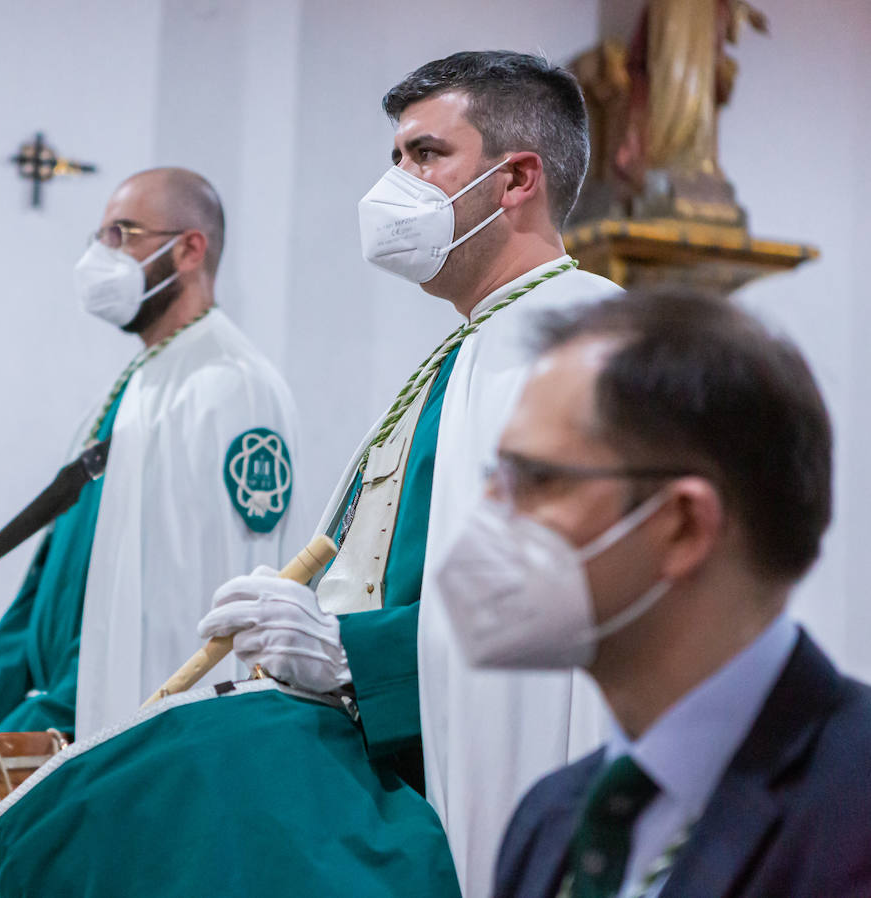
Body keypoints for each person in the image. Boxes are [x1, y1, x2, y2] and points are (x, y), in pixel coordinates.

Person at [199, 51, 619, 897]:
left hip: (492, 793)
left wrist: (344, 652)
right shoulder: (471, 348)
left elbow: (572, 605)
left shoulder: (585, 348)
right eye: (396, 158)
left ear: (516, 180)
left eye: (426, 156)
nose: (395, 184)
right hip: (410, 754)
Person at [473, 288, 871, 897]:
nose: (490, 513)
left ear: (683, 525)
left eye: (537, 479)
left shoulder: (853, 803)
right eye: (494, 479)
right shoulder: (545, 824)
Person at [0, 167, 300, 740]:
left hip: (128, 727)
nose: (100, 255)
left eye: (122, 234)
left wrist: (55, 712)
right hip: (59, 717)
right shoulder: (138, 384)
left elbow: (184, 599)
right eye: (100, 237)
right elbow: (51, 571)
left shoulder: (229, 387)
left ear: (189, 250)